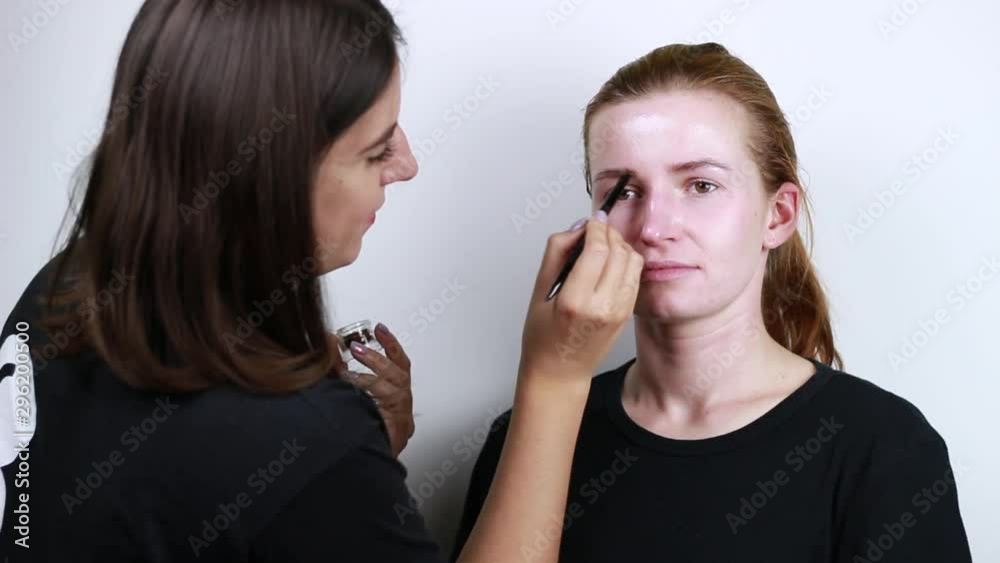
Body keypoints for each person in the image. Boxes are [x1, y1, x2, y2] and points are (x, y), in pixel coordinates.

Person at [0, 1, 643, 561]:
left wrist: (343, 472)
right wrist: (554, 380)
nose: (407, 165)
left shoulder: (70, 283)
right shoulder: (293, 435)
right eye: (375, 149)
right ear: (270, 175)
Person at [452, 42, 973, 562]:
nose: (653, 228)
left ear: (778, 216)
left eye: (701, 185)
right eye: (624, 192)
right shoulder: (530, 432)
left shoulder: (884, 446)